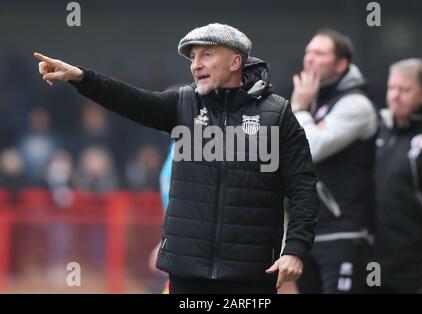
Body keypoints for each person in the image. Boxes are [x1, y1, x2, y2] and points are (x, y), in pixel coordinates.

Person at [34, 23, 319, 294]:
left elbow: (303, 188)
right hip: (186, 276)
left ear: (235, 62)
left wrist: (294, 249)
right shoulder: (184, 105)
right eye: (193, 57)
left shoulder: (277, 114)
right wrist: (81, 78)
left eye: (207, 54)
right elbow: (128, 99)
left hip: (252, 277)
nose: (196, 64)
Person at [290, 29, 377, 293]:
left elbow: (311, 148)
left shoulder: (356, 104)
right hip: (309, 234)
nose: (310, 59)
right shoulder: (315, 99)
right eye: (308, 52)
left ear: (341, 64)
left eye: (320, 53)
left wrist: (300, 110)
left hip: (344, 234)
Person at [374, 58, 422, 293]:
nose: (395, 95)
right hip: (378, 270)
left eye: (404, 89)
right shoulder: (378, 132)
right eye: (392, 88)